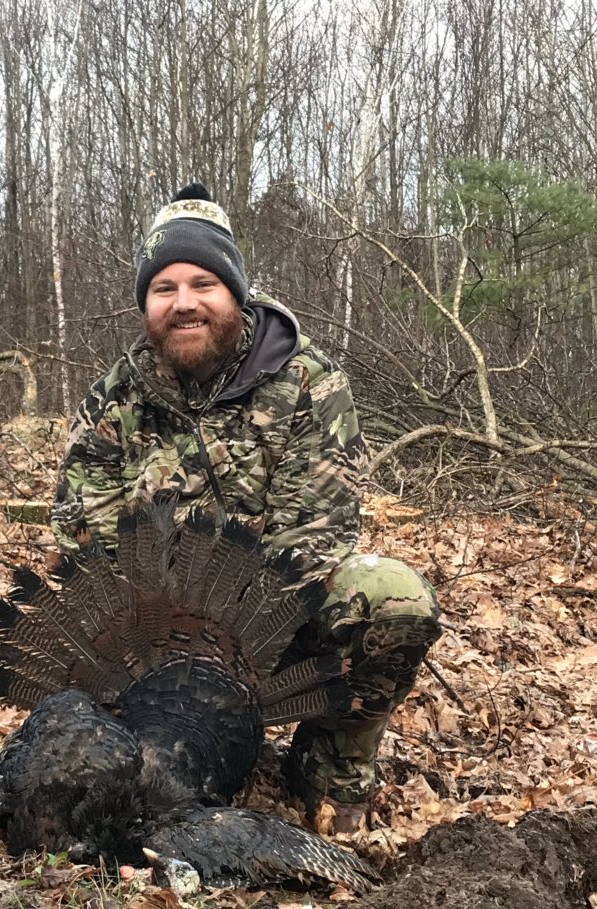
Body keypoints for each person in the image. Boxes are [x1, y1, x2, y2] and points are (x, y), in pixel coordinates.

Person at [51, 183, 441, 834]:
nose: (183, 304)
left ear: (235, 291)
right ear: (145, 303)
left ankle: (326, 771)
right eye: (163, 288)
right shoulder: (114, 399)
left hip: (271, 638)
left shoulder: (308, 381)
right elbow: (81, 539)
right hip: (149, 643)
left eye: (203, 283)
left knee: (392, 597)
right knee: (87, 775)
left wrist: (217, 650)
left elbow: (316, 542)